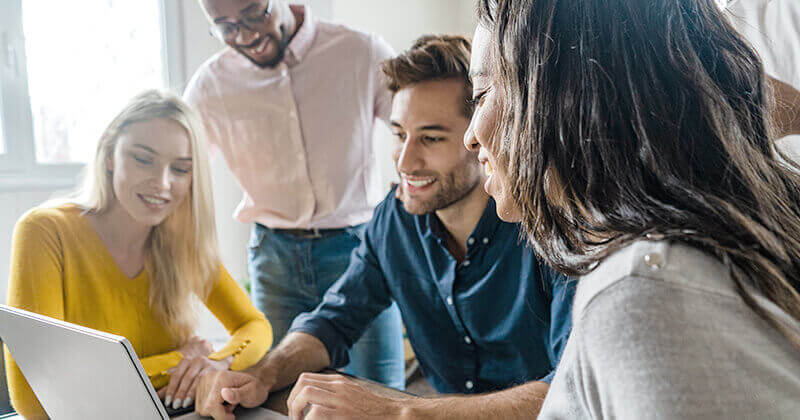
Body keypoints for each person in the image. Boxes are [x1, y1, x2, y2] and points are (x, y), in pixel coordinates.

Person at [191, 35, 575, 420]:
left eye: (431, 138)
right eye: (398, 134)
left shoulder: (554, 227)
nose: (405, 161)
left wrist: (400, 410)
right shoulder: (393, 222)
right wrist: (262, 374)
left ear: (480, 136)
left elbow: (572, 387)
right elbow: (333, 319)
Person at [464, 0, 800, 418]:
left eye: (480, 96)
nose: (470, 138)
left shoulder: (646, 292)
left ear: (563, 94)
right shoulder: (678, 261)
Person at [3, 90, 273, 419]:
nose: (162, 183)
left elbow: (255, 326)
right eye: (143, 159)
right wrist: (179, 360)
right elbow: (34, 399)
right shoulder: (45, 231)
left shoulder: (183, 241)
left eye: (180, 169)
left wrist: (218, 360)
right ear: (109, 156)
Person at [183, 0, 405, 388]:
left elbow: (415, 123)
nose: (247, 35)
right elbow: (180, 166)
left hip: (359, 253)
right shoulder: (210, 85)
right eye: (226, 27)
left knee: (380, 390)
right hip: (274, 260)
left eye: (256, 14)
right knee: (277, 389)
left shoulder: (361, 52)